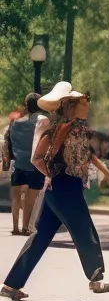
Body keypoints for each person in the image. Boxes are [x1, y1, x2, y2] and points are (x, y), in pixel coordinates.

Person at [1, 83, 109, 301]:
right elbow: (38, 158)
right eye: (83, 101)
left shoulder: (76, 128)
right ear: (71, 105)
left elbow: (87, 154)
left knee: (41, 236)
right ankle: (96, 279)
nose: (87, 104)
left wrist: (105, 171)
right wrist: (52, 174)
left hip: (60, 187)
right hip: (64, 187)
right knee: (84, 230)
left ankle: (11, 284)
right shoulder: (63, 128)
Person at [3, 93, 46, 236]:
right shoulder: (42, 121)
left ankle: (15, 227)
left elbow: (7, 141)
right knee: (30, 197)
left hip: (18, 164)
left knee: (15, 196)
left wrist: (7, 159)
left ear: (27, 106)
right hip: (34, 164)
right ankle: (26, 227)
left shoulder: (15, 123)